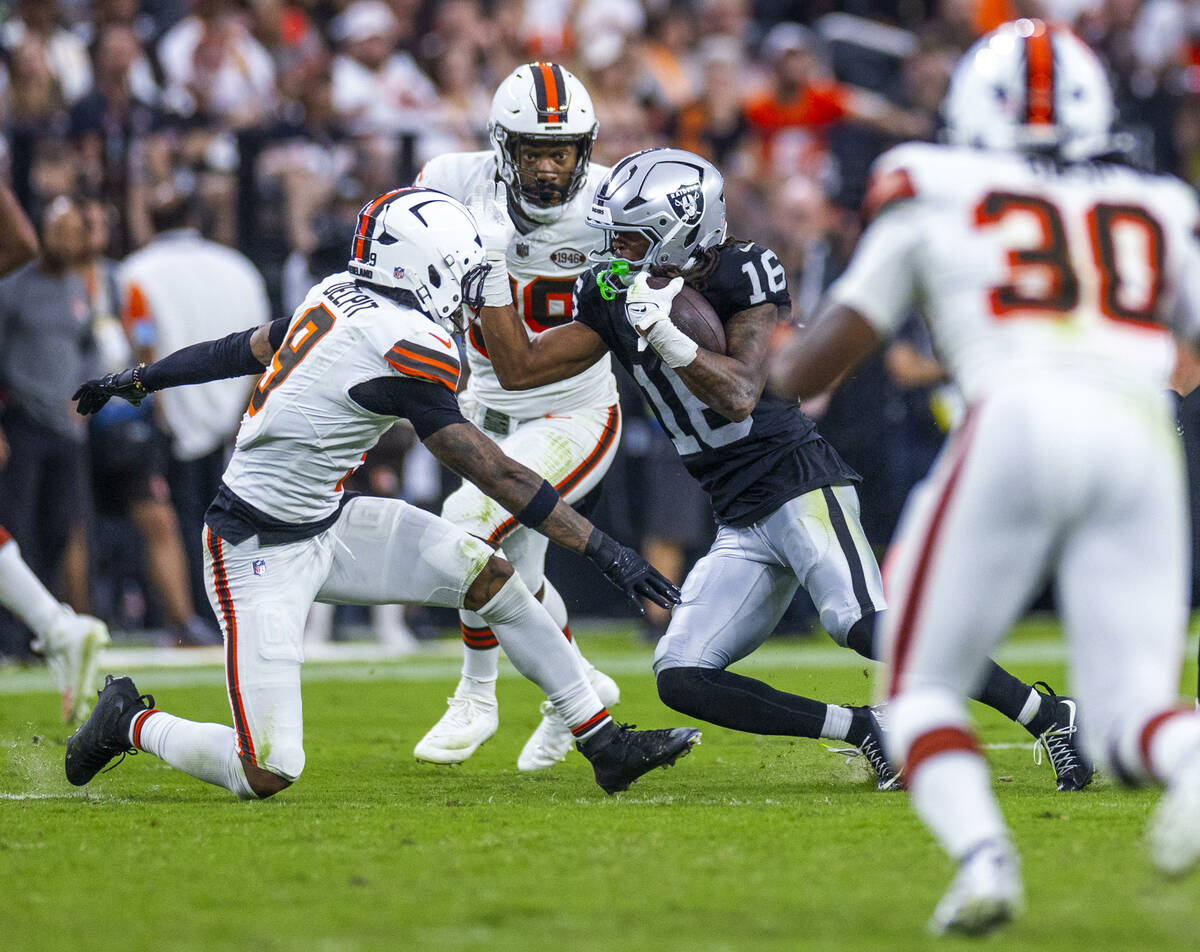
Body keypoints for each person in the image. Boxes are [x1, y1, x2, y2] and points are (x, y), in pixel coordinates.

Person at [470, 146, 1092, 793]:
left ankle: (1050, 715)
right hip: (737, 512)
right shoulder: (612, 292)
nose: (615, 250)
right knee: (682, 674)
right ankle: (865, 730)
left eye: (630, 236)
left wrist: (666, 334)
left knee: (863, 622)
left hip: (797, 480)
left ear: (679, 228)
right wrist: (488, 276)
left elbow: (741, 391)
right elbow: (524, 367)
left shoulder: (744, 269)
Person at [766, 20, 1200, 935]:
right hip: (1141, 429)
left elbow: (814, 367)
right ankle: (1194, 766)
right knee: (1130, 721)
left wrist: (766, 364)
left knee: (920, 687)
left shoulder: (934, 189)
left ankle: (984, 861)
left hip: (1019, 420)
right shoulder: (1156, 201)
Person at [66, 186, 698, 800]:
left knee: (491, 578)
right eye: (464, 268)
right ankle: (129, 721)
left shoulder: (337, 296)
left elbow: (242, 349)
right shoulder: (402, 343)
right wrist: (608, 552)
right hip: (253, 549)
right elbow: (497, 475)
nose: (473, 284)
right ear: (428, 267)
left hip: (326, 521)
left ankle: (603, 742)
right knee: (269, 768)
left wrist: (141, 379)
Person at [411, 62, 624, 772]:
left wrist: (494, 262)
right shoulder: (450, 180)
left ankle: (476, 693)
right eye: (531, 150)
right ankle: (582, 691)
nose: (545, 167)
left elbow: (525, 362)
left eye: (559, 150)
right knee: (521, 582)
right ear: (503, 146)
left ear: (584, 150)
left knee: (467, 525)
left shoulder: (616, 205)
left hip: (573, 411)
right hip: (484, 410)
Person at [0, 184, 108, 721]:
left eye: (74, 232)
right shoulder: (15, 285)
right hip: (22, 421)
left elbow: (86, 345)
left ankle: (53, 628)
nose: (67, 241)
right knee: (15, 527)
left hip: (66, 431)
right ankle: (20, 637)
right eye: (59, 230)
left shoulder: (79, 285)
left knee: (62, 528)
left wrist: (85, 396)